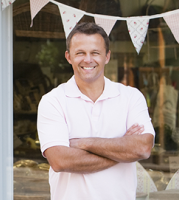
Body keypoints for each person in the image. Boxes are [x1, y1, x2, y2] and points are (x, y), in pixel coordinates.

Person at [37, 22, 155, 200]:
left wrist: (85, 143)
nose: (88, 60)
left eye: (95, 53)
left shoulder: (131, 97)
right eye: (80, 53)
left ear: (107, 56)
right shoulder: (53, 101)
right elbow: (60, 161)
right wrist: (122, 150)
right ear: (68, 57)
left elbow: (143, 148)